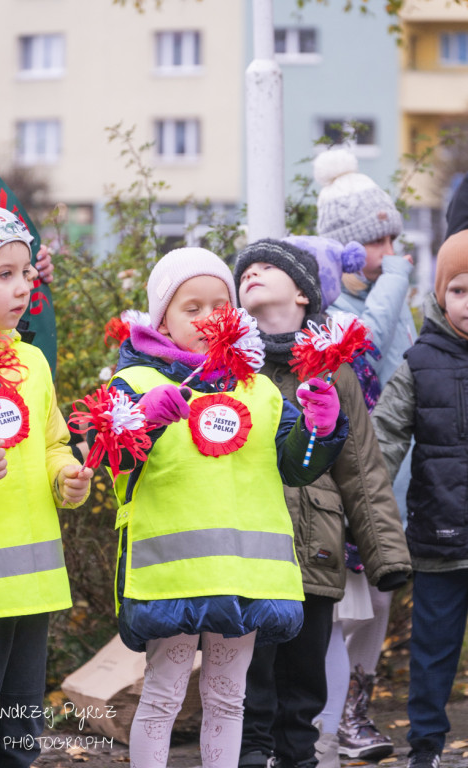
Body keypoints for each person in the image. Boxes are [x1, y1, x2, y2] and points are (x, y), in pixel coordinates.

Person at [103, 246, 349, 768]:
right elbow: (113, 463)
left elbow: (296, 467)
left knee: (227, 699)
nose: (208, 317)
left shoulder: (259, 390)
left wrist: (319, 428)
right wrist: (143, 418)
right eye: (191, 307)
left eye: (220, 304)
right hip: (173, 577)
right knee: (165, 694)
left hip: (246, 575)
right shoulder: (136, 383)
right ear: (162, 320)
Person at [233, 237, 411, 768]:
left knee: (304, 688)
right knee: (249, 684)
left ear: (305, 294)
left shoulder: (334, 371)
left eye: (267, 266)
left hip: (315, 551)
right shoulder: (230, 365)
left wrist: (386, 556)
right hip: (249, 552)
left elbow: (362, 467)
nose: (252, 273)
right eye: (244, 270)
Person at [0, 201, 92, 767]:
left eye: (27, 274)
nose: (21, 288)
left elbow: (54, 442)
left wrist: (67, 475)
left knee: (18, 735)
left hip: (32, 586)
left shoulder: (33, 362)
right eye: (2, 273)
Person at [312, 147, 416, 759]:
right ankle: (331, 722)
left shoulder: (391, 297)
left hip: (394, 485)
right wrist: (397, 279)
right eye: (379, 241)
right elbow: (368, 344)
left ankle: (356, 712)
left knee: (379, 599)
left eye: (394, 238)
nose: (391, 253)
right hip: (350, 484)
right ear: (349, 249)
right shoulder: (336, 307)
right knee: (342, 605)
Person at [371, 230, 468, 768]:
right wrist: (369, 516)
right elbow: (384, 439)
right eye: (458, 290)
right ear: (438, 295)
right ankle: (426, 747)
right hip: (438, 537)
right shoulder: (420, 361)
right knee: (432, 652)